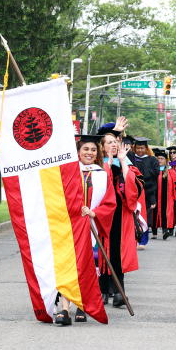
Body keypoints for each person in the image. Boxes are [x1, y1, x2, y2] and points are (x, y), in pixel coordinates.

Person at [55, 135, 117, 325]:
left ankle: (81, 307)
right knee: (67, 265)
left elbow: (110, 202)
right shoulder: (68, 172)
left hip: (91, 227)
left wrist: (93, 212)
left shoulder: (102, 174)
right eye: (85, 149)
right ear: (78, 152)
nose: (89, 153)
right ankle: (65, 310)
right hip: (68, 225)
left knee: (88, 266)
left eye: (93, 150)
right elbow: (57, 197)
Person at [97, 125, 142, 307]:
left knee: (116, 252)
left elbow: (133, 190)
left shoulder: (126, 163)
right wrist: (107, 163)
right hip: (99, 214)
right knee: (101, 252)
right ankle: (102, 291)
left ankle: (118, 292)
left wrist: (122, 161)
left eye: (115, 142)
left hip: (119, 215)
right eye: (109, 142)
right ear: (102, 146)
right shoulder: (96, 165)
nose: (113, 145)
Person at [155, 150, 176, 240]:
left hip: (168, 197)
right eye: (158, 158)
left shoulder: (171, 171)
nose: (160, 160)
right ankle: (154, 232)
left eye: (162, 159)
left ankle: (167, 230)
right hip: (155, 197)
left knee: (168, 212)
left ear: (166, 160)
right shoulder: (154, 170)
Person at [133, 137, 160, 232]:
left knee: (145, 214)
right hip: (135, 190)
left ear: (146, 148)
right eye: (138, 148)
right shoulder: (132, 159)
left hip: (148, 190)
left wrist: (142, 171)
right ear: (134, 148)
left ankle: (143, 237)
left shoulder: (152, 159)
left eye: (142, 148)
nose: (140, 150)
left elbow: (156, 172)